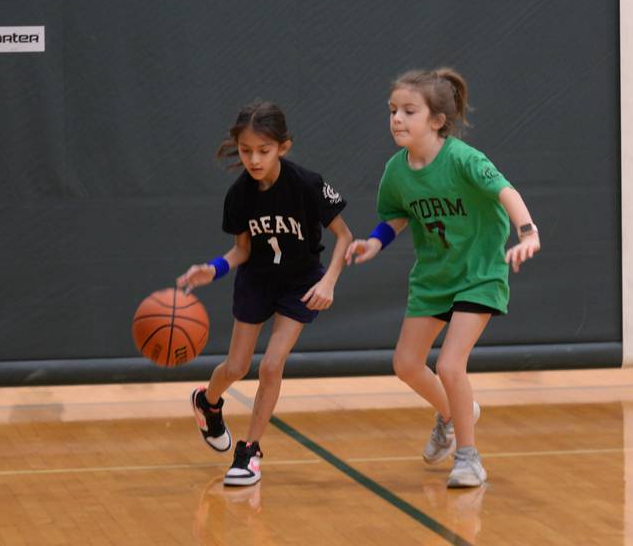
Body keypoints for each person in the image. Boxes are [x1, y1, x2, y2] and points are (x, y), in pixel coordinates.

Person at [345, 68, 540, 487]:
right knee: (405, 364)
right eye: (393, 110)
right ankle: (455, 414)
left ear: (436, 120)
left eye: (408, 111)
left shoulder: (463, 159)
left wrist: (528, 233)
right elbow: (394, 216)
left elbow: (508, 193)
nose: (397, 119)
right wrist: (374, 244)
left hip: (479, 274)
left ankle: (469, 458)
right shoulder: (396, 171)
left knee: (451, 364)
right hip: (435, 276)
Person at [178, 101, 352, 486]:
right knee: (237, 366)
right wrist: (215, 268)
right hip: (256, 280)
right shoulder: (239, 195)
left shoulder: (307, 184)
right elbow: (241, 249)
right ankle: (207, 402)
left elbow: (345, 236)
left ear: (283, 147)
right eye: (245, 151)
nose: (253, 159)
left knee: (272, 365)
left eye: (263, 150)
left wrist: (329, 282)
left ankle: (250, 451)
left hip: (301, 281)